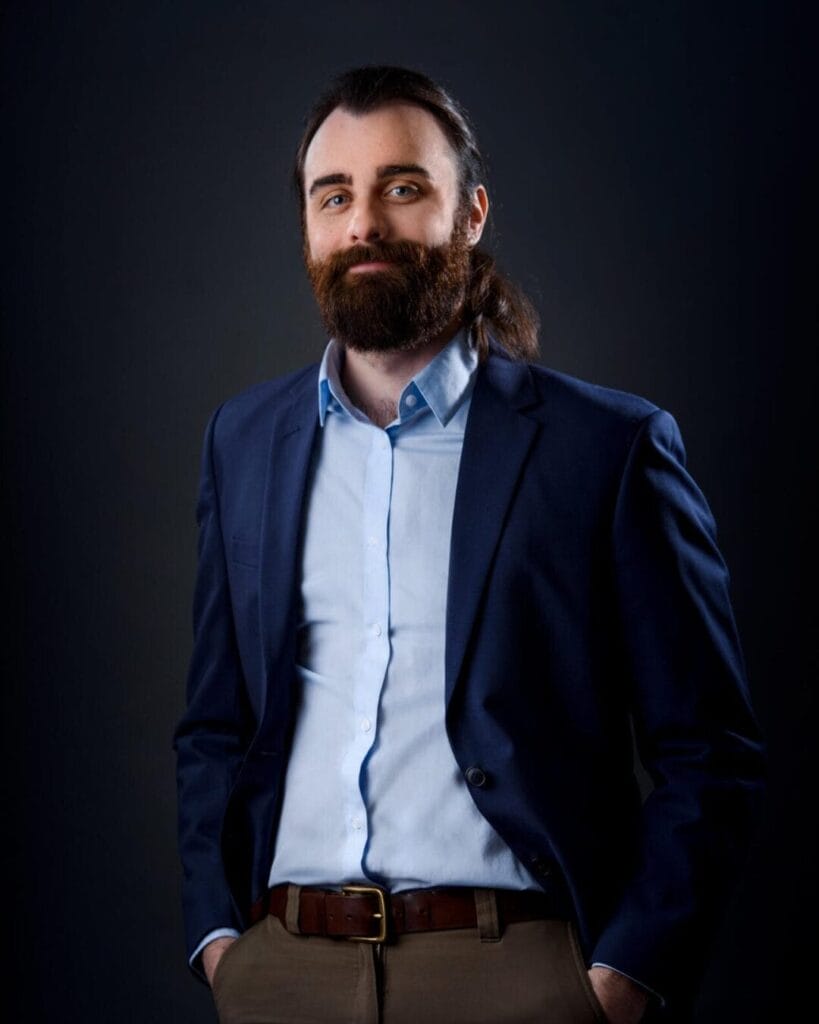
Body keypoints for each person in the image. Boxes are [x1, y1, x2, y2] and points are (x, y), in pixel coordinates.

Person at [173, 65, 765, 1024]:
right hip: (282, 972)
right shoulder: (242, 442)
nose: (364, 222)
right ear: (311, 227)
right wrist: (219, 941)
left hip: (516, 973)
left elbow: (710, 750)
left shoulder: (605, 449)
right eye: (336, 196)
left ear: (471, 213)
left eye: (402, 188)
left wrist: (620, 979)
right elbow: (214, 725)